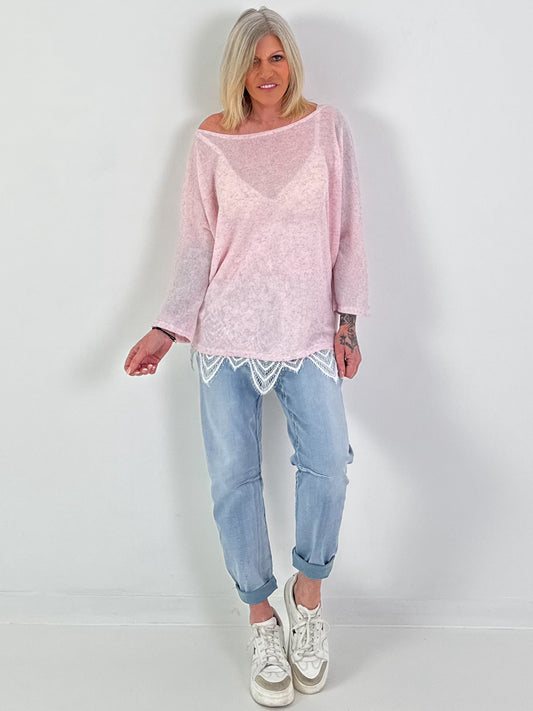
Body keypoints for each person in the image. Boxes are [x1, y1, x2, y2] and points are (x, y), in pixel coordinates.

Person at [124, 6, 369, 707]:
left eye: (277, 58)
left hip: (306, 332)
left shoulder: (326, 128)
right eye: (255, 60)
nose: (267, 72)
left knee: (328, 464)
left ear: (292, 62)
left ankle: (307, 595)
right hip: (225, 334)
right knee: (232, 480)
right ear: (236, 69)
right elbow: (197, 243)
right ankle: (261, 617)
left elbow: (349, 231)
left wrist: (347, 322)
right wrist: (167, 328)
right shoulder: (211, 138)